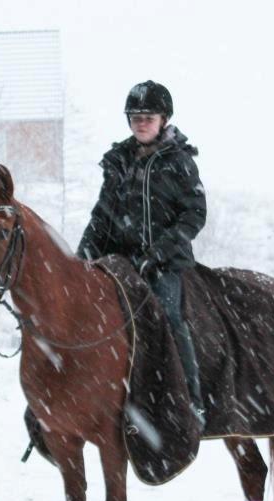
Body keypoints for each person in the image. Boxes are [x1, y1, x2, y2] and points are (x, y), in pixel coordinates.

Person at [76, 80, 207, 424]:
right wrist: (81, 257)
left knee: (169, 316)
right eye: (135, 117)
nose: (141, 123)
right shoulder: (118, 161)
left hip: (164, 263)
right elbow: (102, 216)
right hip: (119, 262)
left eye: (148, 117)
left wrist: (158, 252)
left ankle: (192, 401)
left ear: (164, 119)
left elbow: (195, 213)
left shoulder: (179, 161)